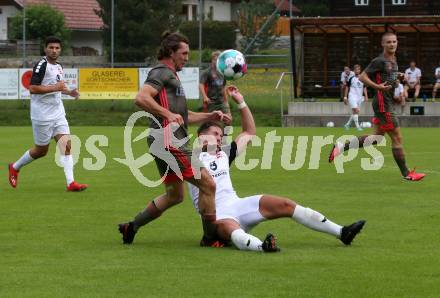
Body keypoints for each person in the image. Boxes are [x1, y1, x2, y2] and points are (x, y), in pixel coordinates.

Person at [189, 85, 366, 252]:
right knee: (230, 228)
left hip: (238, 205)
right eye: (214, 134)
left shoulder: (224, 154)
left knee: (286, 204)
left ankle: (343, 232)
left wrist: (241, 102)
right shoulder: (188, 158)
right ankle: (262, 247)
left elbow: (249, 132)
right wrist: (208, 117)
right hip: (217, 216)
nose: (219, 138)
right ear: (200, 136)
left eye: (220, 135)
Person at [118, 32, 231, 245]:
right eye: (184, 53)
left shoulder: (172, 75)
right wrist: (167, 114)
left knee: (175, 196)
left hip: (163, 141)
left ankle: (131, 227)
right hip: (169, 141)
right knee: (208, 184)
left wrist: (210, 116)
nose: (187, 57)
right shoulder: (161, 72)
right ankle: (210, 238)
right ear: (171, 52)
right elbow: (141, 98)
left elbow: (183, 116)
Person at [329, 32, 425, 181]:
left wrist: (398, 75)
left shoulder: (393, 60)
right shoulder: (379, 60)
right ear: (383, 44)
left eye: (394, 41)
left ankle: (341, 147)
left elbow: (388, 75)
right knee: (397, 138)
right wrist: (377, 87)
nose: (392, 44)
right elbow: (362, 77)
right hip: (383, 104)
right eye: (389, 42)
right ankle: (406, 174)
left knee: (376, 139)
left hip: (385, 103)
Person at [8, 36, 87, 192]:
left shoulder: (58, 66)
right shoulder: (41, 65)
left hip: (58, 113)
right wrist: (56, 88)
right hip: (42, 116)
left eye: (57, 48)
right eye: (51, 47)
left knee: (67, 145)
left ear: (60, 50)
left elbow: (58, 86)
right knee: (41, 151)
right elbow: (33, 88)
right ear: (45, 49)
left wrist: (70, 92)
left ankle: (71, 183)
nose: (54, 50)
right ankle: (15, 167)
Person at [199, 50, 231, 118]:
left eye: (218, 60)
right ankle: (207, 128)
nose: (216, 62)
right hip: (211, 102)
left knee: (228, 119)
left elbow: (224, 87)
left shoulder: (222, 72)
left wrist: (226, 101)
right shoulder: (207, 72)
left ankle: (227, 129)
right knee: (210, 121)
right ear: (212, 60)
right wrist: (205, 97)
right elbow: (201, 84)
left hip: (222, 102)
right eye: (215, 60)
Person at [343, 64, 369, 131]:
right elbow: (347, 87)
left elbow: (364, 88)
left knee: (355, 112)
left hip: (359, 97)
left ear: (360, 70)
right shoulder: (351, 78)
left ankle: (347, 124)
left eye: (359, 69)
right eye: (356, 69)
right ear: (354, 70)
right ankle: (358, 127)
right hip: (352, 96)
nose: (357, 71)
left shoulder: (363, 78)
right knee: (356, 110)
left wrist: (366, 96)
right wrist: (345, 97)